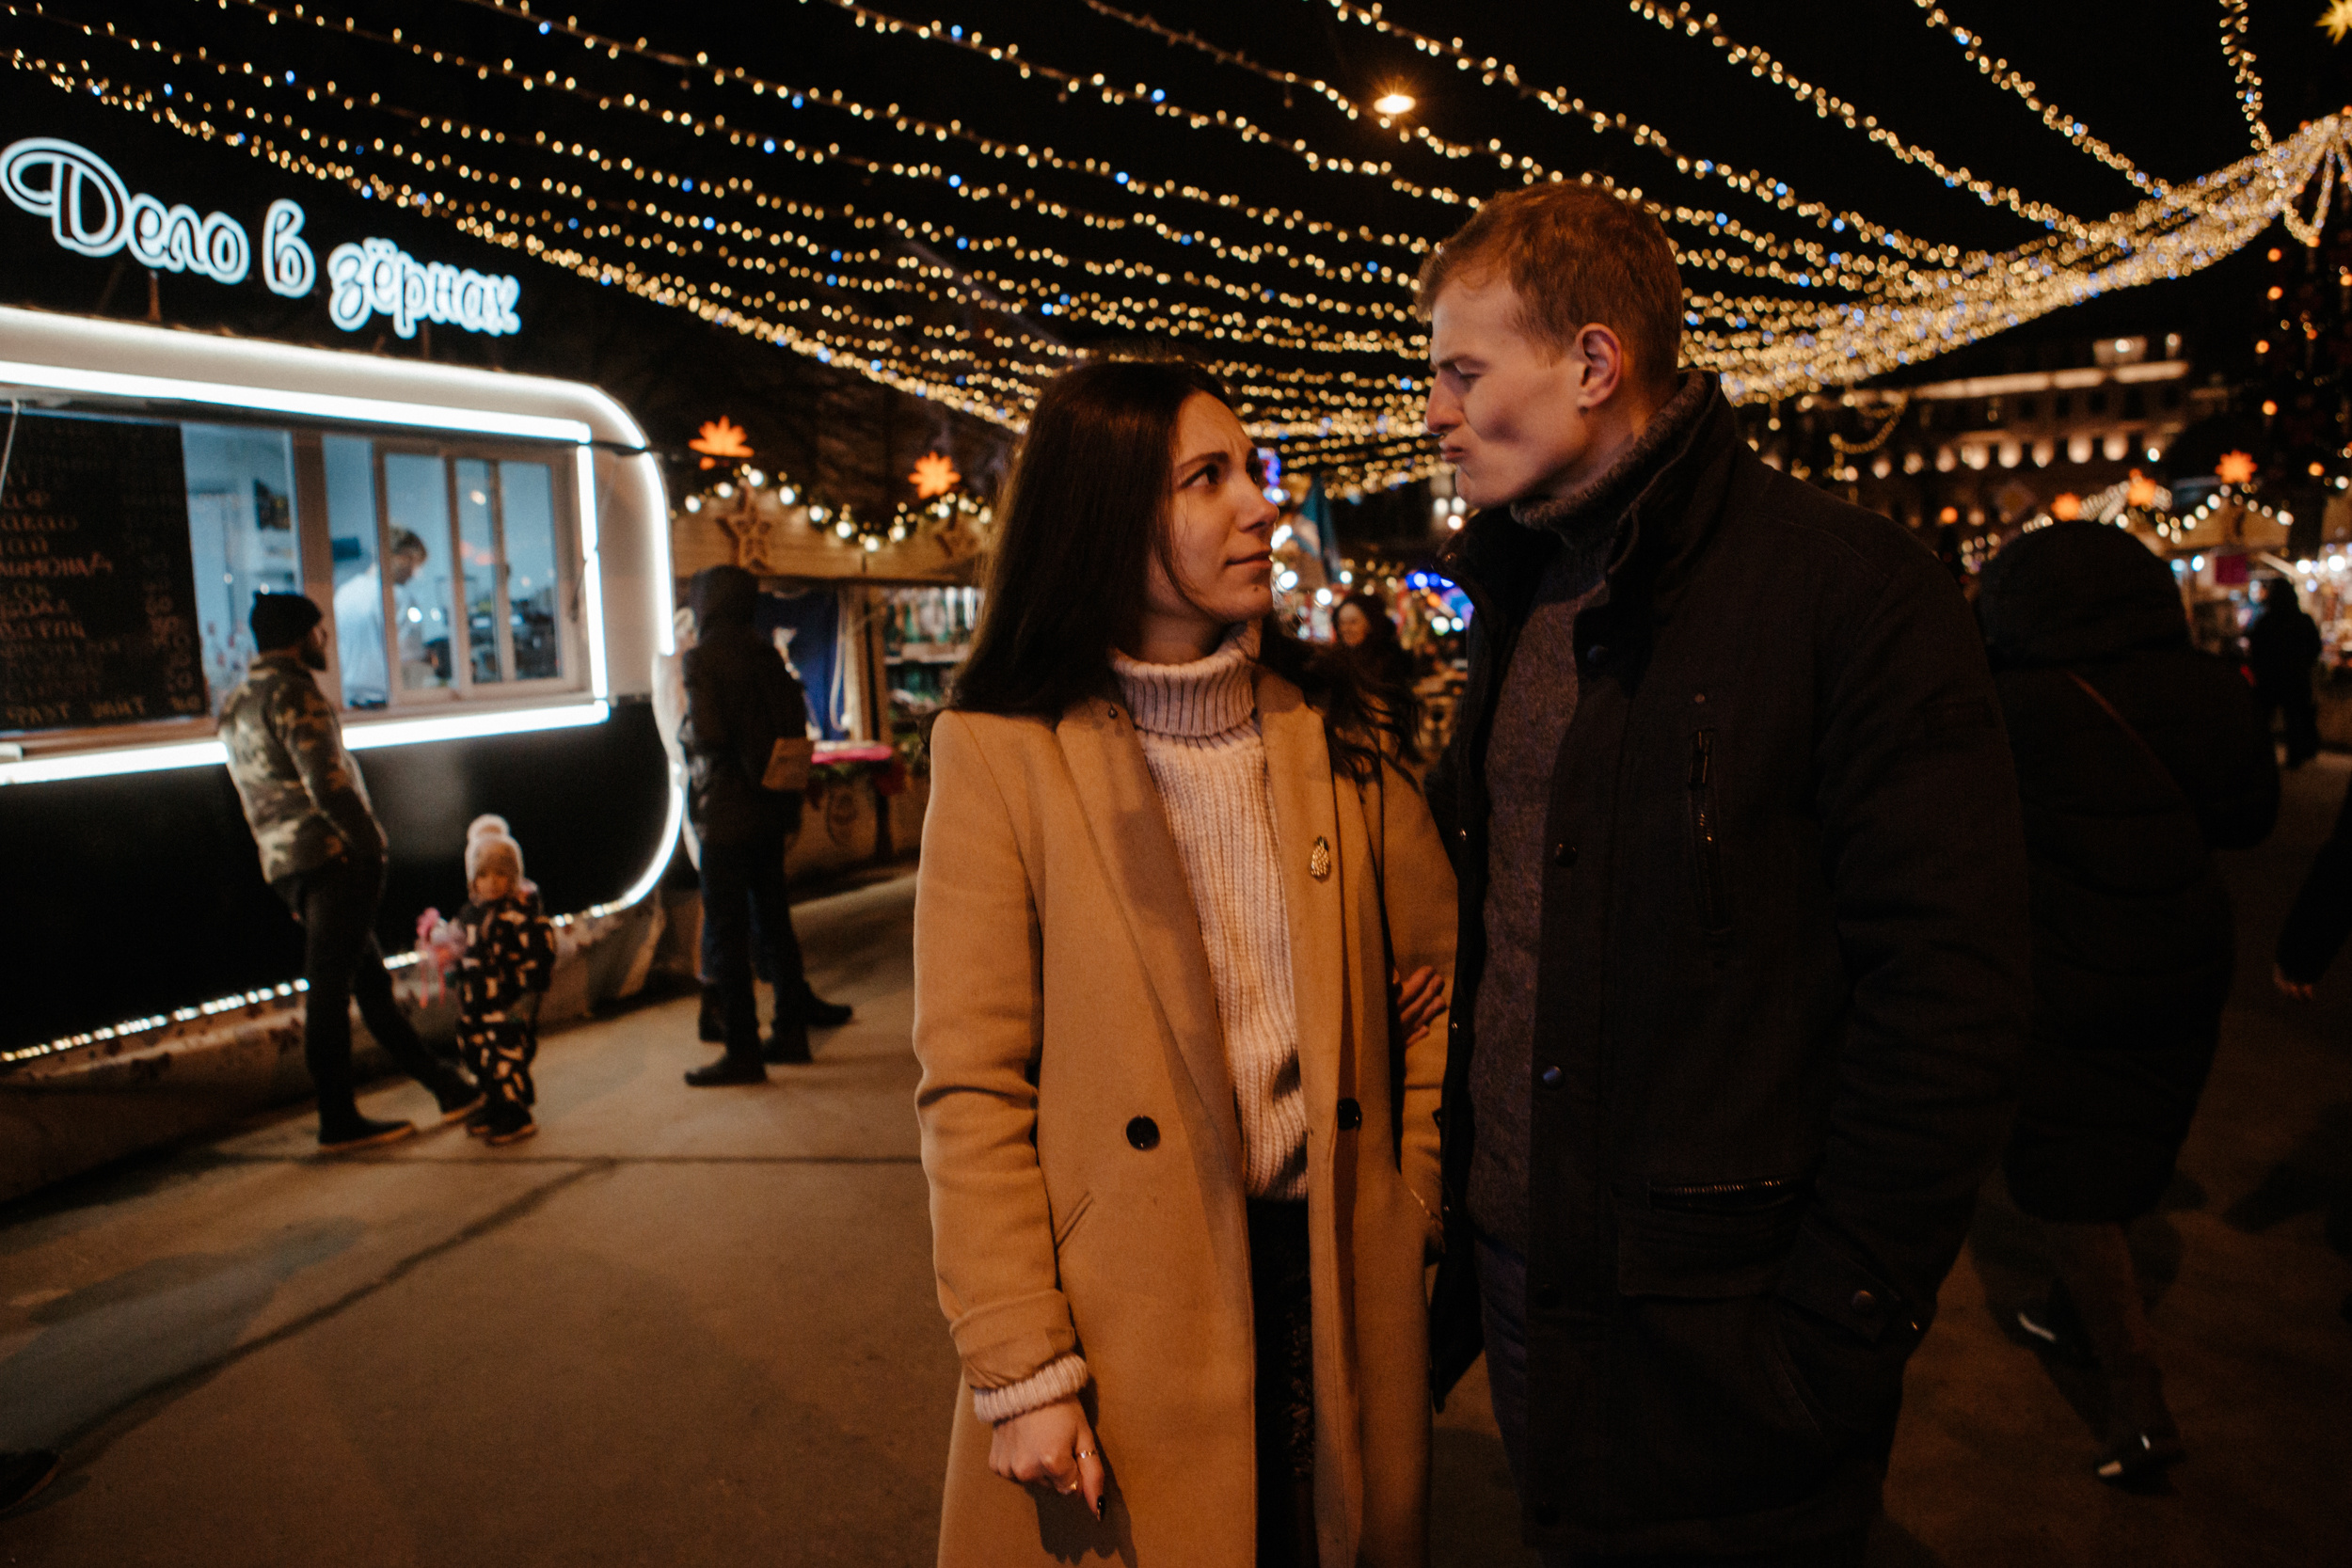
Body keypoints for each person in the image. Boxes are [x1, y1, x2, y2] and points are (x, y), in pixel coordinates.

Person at [1415, 182, 2031, 1563]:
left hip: (1732, 1328)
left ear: (1591, 361)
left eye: (1461, 372)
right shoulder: (1521, 593)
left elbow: (1949, 991)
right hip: (1527, 1287)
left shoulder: (1850, 590)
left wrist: (1840, 1320)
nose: (1435, 411)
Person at [914, 359, 1456, 1566]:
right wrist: (1021, 1366)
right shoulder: (1004, 755)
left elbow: (1437, 988)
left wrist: (1407, 1192)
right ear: (1107, 518)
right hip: (1124, 1311)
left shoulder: (1334, 734)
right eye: (1206, 479)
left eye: (1250, 469)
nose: (1259, 505)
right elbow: (973, 1087)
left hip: (1328, 1282)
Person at [1976, 521, 2278, 1483]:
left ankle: (2136, 1400)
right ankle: (2071, 1311)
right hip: (2184, 956)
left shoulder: (2006, 703)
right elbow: (2249, 817)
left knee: (2067, 1165)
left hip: (2066, 965)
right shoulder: (2202, 688)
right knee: (2127, 1140)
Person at [221, 593, 481, 1150]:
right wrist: (372, 847)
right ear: (299, 635)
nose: (326, 643)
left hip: (285, 863)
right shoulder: (294, 693)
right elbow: (327, 784)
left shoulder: (237, 701)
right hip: (331, 858)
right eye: (320, 632)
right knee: (334, 992)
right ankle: (337, 1119)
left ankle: (447, 1087)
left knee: (368, 985)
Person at [681, 564, 823, 1084]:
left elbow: (711, 733)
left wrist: (691, 734)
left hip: (726, 812)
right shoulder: (766, 653)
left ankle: (742, 1049)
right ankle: (791, 1031)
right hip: (770, 808)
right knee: (775, 922)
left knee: (727, 932)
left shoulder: (701, 659)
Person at [451, 816, 556, 1146]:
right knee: (477, 1054)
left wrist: (528, 998)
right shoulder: (470, 913)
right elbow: (461, 949)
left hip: (509, 1002)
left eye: (501, 874)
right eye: (483, 875)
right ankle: (493, 1104)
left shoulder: (522, 914)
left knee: (505, 1057)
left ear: (514, 877)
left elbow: (541, 955)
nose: (492, 882)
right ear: (473, 879)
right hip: (475, 1003)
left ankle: (515, 1112)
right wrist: (455, 971)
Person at [331, 529, 431, 706]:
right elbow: (410, 657)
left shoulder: (344, 592)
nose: (413, 575)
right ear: (401, 557)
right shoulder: (398, 597)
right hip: (387, 700)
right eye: (414, 565)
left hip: (347, 700)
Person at [2246, 576, 2324, 768]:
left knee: (2264, 721)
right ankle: (2295, 757)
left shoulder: (2265, 622)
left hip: (2270, 678)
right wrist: (2303, 664)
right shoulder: (2302, 621)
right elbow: (2315, 647)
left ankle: (2262, 758)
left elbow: (2255, 649)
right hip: (2296, 677)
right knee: (2295, 718)